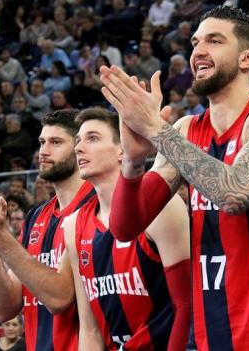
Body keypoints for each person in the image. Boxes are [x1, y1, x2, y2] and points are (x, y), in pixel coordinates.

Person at [100, 5, 249, 348]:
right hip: (205, 335)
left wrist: (156, 130)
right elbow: (125, 227)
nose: (198, 51)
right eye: (196, 42)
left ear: (247, 58)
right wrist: (133, 160)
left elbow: (235, 193)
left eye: (214, 41)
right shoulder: (186, 130)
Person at [0, 109, 95, 351]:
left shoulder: (96, 205)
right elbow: (4, 309)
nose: (44, 151)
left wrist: (0, 236)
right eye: (42, 142)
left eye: (56, 142)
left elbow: (60, 298)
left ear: (80, 148)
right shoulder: (36, 216)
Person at [55, 108, 191, 349]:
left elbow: (187, 305)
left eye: (93, 138)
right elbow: (90, 328)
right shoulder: (73, 225)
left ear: (122, 149)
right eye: (77, 141)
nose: (78, 148)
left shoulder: (162, 207)